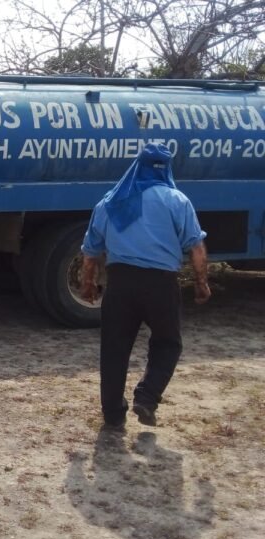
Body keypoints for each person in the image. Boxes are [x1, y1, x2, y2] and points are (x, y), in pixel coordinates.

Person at [80, 143, 211, 431]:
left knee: (114, 349)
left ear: (136, 166)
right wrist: (201, 283)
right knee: (168, 342)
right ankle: (147, 397)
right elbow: (196, 247)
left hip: (120, 284)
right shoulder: (177, 201)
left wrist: (88, 284)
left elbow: (90, 253)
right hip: (161, 285)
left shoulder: (111, 202)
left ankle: (113, 416)